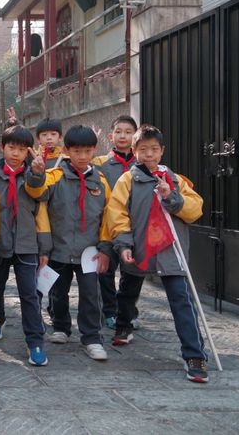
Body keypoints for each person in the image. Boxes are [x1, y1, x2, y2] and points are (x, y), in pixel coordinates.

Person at [106, 125, 210, 383]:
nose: (149, 154)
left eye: (154, 149)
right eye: (143, 150)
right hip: (139, 248)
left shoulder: (176, 180)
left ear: (162, 151)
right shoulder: (127, 180)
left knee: (181, 301)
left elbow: (195, 210)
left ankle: (194, 355)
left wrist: (172, 197)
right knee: (128, 290)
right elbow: (117, 214)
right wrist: (124, 244)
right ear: (134, 151)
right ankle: (124, 324)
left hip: (170, 251)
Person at [26, 125, 112, 361]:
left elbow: (109, 217)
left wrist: (105, 248)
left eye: (87, 151)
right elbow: (36, 193)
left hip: (89, 251)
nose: (82, 156)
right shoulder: (55, 176)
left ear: (94, 150)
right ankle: (61, 327)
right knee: (57, 291)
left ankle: (92, 338)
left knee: (90, 294)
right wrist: (36, 174)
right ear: (66, 151)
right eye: (77, 151)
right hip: (59, 247)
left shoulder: (101, 181)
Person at [0, 125, 51, 366]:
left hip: (26, 244)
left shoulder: (33, 176)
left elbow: (40, 206)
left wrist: (44, 248)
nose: (15, 153)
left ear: (28, 152)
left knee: (29, 294)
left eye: (22, 149)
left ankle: (35, 341)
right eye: (11, 147)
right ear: (2, 147)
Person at [93, 115, 139, 330]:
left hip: (135, 227)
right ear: (111, 136)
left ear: (135, 136)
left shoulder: (141, 165)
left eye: (128, 132)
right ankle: (109, 312)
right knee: (106, 272)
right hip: (107, 227)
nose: (123, 136)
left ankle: (128, 312)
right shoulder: (100, 163)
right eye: (118, 131)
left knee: (132, 273)